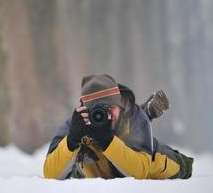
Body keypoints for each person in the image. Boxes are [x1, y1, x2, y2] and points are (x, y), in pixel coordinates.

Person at [43, 74, 193, 180]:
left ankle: (146, 112)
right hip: (95, 169)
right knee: (75, 167)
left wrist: (107, 141)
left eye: (111, 108)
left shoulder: (136, 118)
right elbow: (50, 174)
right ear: (86, 110)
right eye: (98, 111)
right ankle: (145, 112)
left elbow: (139, 172)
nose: (106, 114)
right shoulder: (76, 123)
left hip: (141, 156)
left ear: (120, 105)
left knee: (175, 166)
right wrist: (71, 140)